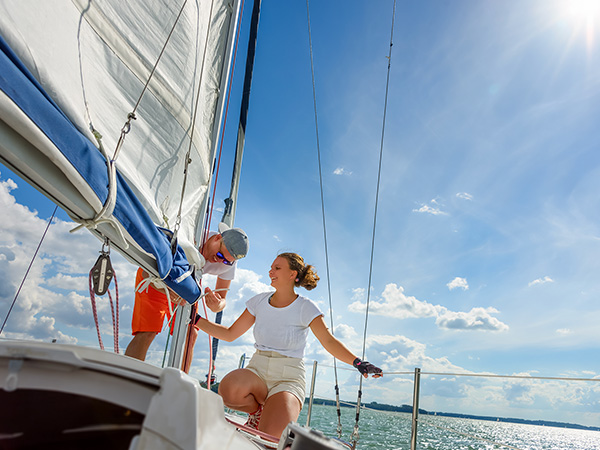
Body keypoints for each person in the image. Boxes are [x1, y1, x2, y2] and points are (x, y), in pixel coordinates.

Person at [194, 252, 383, 438]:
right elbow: (229, 334)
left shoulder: (305, 307)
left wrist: (358, 363)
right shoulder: (258, 301)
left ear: (292, 274)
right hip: (257, 371)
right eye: (271, 267)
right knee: (228, 390)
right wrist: (195, 319)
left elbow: (328, 341)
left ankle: (271, 414)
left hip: (288, 378)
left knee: (270, 436)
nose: (270, 272)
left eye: (277, 268)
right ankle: (257, 413)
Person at [124, 223, 249, 362]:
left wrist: (217, 305)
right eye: (220, 255)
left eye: (226, 261)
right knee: (147, 331)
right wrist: (165, 288)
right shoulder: (190, 232)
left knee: (191, 333)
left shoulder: (228, 263)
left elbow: (223, 299)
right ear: (217, 238)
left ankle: (179, 380)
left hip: (187, 285)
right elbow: (150, 263)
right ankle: (127, 378)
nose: (219, 261)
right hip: (156, 274)